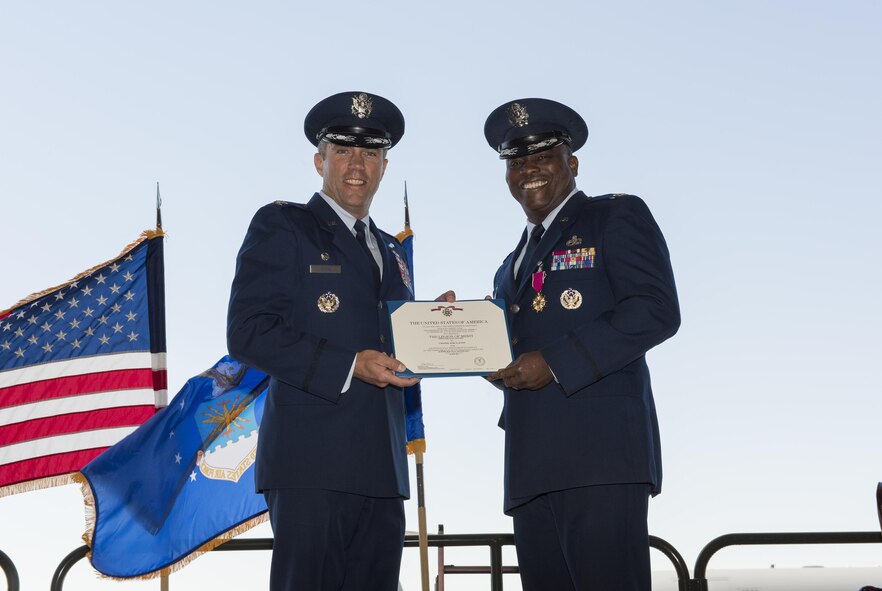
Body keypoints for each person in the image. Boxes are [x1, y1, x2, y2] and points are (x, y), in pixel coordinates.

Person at [227, 91, 449, 591]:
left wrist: (434, 324)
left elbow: (389, 341)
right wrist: (350, 364)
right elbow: (247, 331)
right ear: (318, 160)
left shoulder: (391, 249)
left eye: (370, 152)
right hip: (312, 464)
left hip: (384, 467)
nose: (357, 164)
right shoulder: (283, 225)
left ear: (384, 166)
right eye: (343, 149)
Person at [484, 98, 681, 590]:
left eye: (543, 156)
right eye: (516, 161)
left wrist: (553, 362)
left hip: (601, 459)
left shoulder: (614, 216)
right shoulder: (509, 264)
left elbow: (656, 310)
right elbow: (514, 346)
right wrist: (475, 343)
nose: (529, 169)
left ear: (571, 164)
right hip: (530, 466)